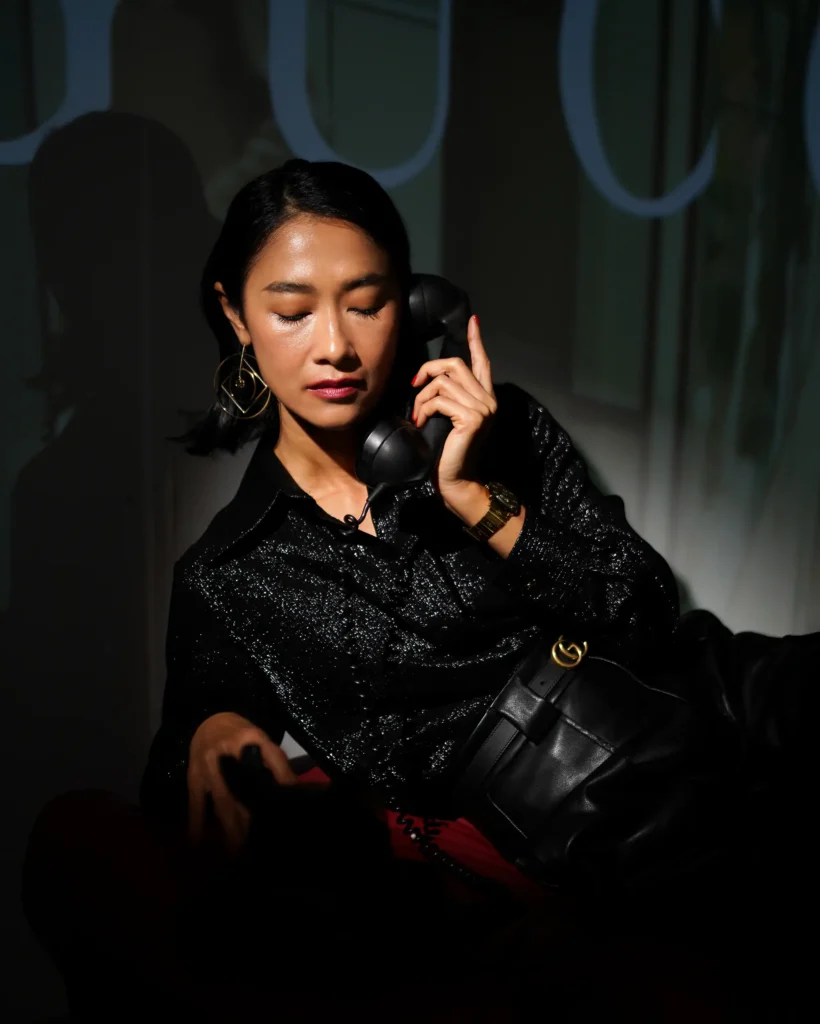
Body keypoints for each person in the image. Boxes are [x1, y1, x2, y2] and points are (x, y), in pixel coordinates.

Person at [23, 159, 813, 1022]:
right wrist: (211, 726)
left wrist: (476, 500)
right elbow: (176, 790)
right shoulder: (233, 573)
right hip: (602, 824)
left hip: (727, 702)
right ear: (236, 314)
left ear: (413, 302)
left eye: (367, 304)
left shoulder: (502, 427)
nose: (335, 345)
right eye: (293, 311)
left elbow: (645, 607)